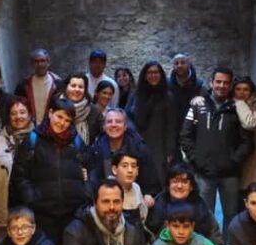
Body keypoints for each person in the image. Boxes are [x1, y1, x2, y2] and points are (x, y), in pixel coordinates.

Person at [10, 98, 91, 245]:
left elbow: (92, 168)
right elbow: (19, 175)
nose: (62, 123)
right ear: (50, 113)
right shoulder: (33, 140)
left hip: (72, 214)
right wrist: (32, 198)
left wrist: (85, 192)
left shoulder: (76, 142)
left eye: (67, 120)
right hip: (43, 216)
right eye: (59, 117)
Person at [180, 66, 253, 236]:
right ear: (211, 82)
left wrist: (233, 162)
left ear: (230, 85)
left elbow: (247, 141)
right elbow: (185, 135)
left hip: (230, 175)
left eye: (226, 83)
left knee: (231, 216)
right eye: (218, 81)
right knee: (204, 215)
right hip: (204, 173)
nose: (221, 85)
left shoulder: (238, 108)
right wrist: (196, 160)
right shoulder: (198, 106)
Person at [0, 97, 35, 241]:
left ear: (30, 114)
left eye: (22, 112)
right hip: (3, 209)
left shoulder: (39, 139)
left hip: (31, 209)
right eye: (13, 113)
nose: (18, 117)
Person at [145, 164, 226, 245]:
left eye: (184, 182)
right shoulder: (156, 206)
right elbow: (146, 243)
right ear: (169, 185)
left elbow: (218, 244)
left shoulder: (202, 208)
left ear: (191, 186)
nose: (179, 186)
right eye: (175, 181)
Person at [126, 60, 177, 195]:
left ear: (161, 75)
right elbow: (127, 118)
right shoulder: (135, 96)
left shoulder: (167, 96)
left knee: (158, 185)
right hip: (137, 145)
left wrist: (170, 152)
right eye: (149, 73)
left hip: (159, 148)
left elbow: (171, 127)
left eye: (156, 72)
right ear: (144, 75)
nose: (153, 75)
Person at [86, 108, 157, 200]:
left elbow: (151, 180)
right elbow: (93, 180)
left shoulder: (139, 148)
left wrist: (148, 195)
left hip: (134, 199)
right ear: (104, 127)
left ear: (125, 126)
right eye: (109, 122)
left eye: (118, 121)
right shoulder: (96, 148)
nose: (114, 125)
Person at [14, 48, 62, 125]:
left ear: (48, 62)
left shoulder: (58, 84)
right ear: (32, 64)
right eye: (36, 61)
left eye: (42, 61)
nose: (39, 64)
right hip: (29, 127)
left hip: (51, 128)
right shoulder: (23, 85)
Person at [59, 72, 103, 145]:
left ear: (85, 90)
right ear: (66, 87)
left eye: (80, 87)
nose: (77, 89)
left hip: (84, 154)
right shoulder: (56, 106)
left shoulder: (94, 111)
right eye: (73, 86)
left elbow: (102, 135)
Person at [167, 53, 206, 134]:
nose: (179, 65)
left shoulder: (199, 85)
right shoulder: (167, 85)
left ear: (188, 64)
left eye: (182, 62)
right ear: (173, 66)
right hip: (172, 131)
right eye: (176, 63)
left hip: (193, 130)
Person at [110, 150, 148, 226]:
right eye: (125, 166)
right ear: (114, 169)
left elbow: (143, 216)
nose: (130, 170)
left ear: (137, 171)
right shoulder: (107, 189)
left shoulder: (136, 188)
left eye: (133, 166)